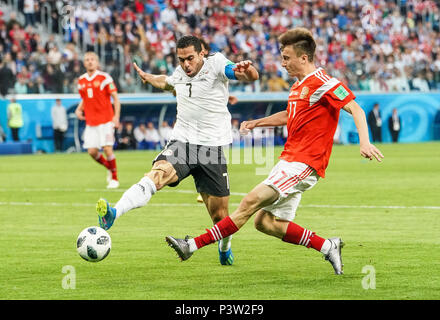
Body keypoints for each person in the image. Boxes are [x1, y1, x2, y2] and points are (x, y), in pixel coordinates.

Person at [165, 28, 384, 275]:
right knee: (265, 223)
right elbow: (289, 116)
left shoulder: (324, 83)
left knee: (249, 201)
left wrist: (364, 142)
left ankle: (191, 245)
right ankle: (327, 245)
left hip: (304, 164)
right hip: (288, 160)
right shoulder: (298, 86)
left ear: (303, 58)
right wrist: (257, 122)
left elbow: (356, 109)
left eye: (287, 57)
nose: (283, 63)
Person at [95, 35, 259, 266]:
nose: (186, 65)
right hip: (182, 142)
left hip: (211, 149)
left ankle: (225, 247)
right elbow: (167, 82)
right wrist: (148, 77)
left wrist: (247, 70)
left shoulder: (217, 63)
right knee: (158, 173)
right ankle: (115, 211)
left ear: (202, 53)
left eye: (190, 58)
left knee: (220, 217)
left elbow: (246, 75)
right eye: (181, 59)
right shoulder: (181, 73)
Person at [75, 52, 121, 189]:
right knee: (92, 152)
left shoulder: (104, 78)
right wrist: (79, 109)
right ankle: (109, 167)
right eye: (87, 60)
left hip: (106, 120)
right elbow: (86, 98)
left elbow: (116, 98)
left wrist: (116, 117)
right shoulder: (81, 81)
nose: (90, 62)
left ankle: (114, 178)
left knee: (107, 148)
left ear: (97, 62)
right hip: (91, 122)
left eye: (92, 59)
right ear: (84, 63)